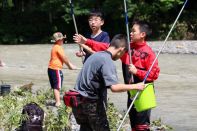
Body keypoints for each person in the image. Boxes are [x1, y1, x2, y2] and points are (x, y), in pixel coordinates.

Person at [73, 20, 160, 131]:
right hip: (131, 92)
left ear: (142, 34)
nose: (131, 33)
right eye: (131, 31)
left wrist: (137, 71)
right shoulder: (127, 48)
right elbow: (108, 47)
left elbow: (154, 75)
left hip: (143, 92)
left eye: (133, 31)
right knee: (133, 124)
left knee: (141, 126)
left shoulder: (149, 53)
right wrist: (87, 41)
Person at [48, 32, 77, 107]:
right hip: (56, 69)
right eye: (62, 39)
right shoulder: (58, 47)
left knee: (55, 86)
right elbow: (64, 58)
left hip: (51, 68)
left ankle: (57, 101)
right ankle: (58, 102)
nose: (63, 41)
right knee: (57, 86)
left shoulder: (54, 46)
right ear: (59, 40)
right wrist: (70, 65)